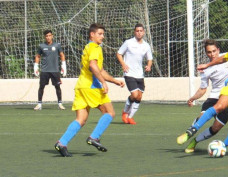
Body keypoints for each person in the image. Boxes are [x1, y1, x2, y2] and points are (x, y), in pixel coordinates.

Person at [54, 23, 125, 157]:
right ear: (92, 34)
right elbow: (93, 66)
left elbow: (100, 69)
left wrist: (114, 81)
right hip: (92, 87)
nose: (102, 37)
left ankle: (62, 143)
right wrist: (103, 82)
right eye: (100, 34)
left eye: (103, 34)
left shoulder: (88, 47)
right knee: (109, 112)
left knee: (81, 119)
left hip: (81, 86)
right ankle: (94, 137)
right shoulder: (94, 47)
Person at [177, 39, 228, 153]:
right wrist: (193, 98)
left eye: (214, 51)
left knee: (216, 128)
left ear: (218, 50)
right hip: (214, 97)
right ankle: (189, 132)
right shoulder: (205, 68)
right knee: (201, 117)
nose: (212, 54)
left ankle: (195, 141)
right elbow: (203, 88)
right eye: (209, 52)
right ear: (206, 53)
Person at [117, 23, 153, 125]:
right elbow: (119, 53)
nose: (139, 33)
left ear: (144, 32)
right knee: (134, 94)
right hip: (129, 73)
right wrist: (123, 64)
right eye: (137, 31)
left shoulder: (146, 45)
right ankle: (125, 112)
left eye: (141, 31)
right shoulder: (128, 43)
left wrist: (149, 66)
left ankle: (130, 117)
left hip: (140, 74)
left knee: (139, 97)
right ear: (134, 32)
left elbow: (150, 58)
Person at [33, 29, 67, 110]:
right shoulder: (41, 46)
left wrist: (63, 65)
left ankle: (60, 104)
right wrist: (36, 66)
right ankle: (39, 104)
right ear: (45, 37)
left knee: (57, 87)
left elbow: (62, 55)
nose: (48, 37)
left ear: (52, 36)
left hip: (55, 70)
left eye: (49, 36)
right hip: (44, 71)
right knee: (41, 87)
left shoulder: (57, 45)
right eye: (46, 36)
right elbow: (38, 56)